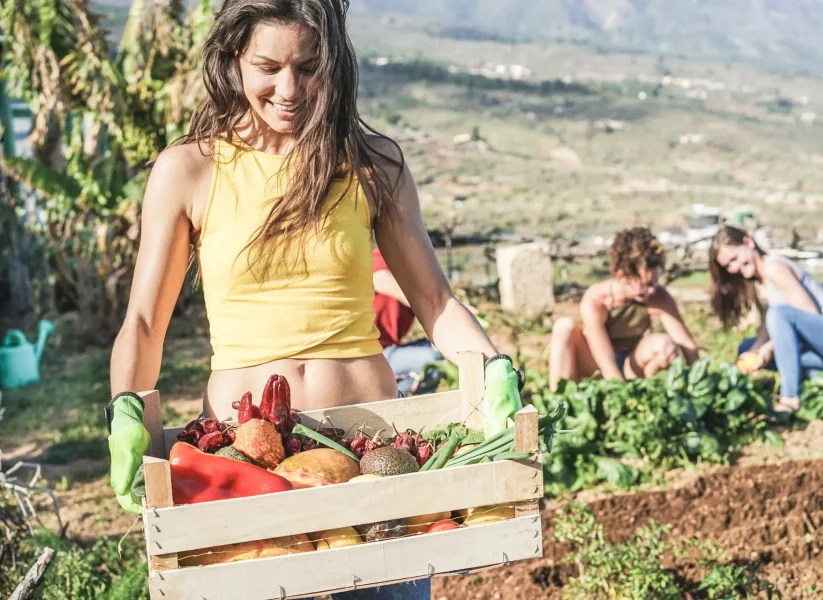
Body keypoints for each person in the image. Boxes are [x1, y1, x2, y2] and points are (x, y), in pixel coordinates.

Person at [103, 2, 522, 598]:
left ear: (336, 62)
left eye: (309, 66)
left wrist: (492, 367)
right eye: (268, 67)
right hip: (244, 469)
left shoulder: (373, 164)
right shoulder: (189, 169)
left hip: (371, 462)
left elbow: (434, 299)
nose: (289, 88)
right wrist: (125, 409)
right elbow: (145, 321)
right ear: (233, 62)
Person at [709, 225, 823, 412]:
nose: (734, 268)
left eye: (734, 259)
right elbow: (769, 328)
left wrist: (769, 348)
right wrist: (755, 351)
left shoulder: (774, 267)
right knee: (746, 347)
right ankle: (819, 379)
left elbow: (810, 313)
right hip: (821, 348)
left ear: (748, 242)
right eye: (728, 266)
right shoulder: (760, 284)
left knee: (779, 314)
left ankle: (790, 398)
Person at [548, 227, 700, 391]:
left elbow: (686, 344)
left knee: (665, 346)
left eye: (654, 283)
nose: (652, 290)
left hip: (631, 364)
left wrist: (698, 383)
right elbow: (604, 359)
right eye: (646, 284)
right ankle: (559, 399)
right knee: (564, 327)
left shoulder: (657, 296)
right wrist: (621, 393)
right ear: (622, 276)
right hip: (596, 364)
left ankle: (651, 395)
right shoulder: (597, 300)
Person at [372, 247, 443, 395]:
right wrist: (420, 302)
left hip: (392, 350)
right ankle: (403, 401)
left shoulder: (420, 279)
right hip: (372, 355)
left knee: (442, 352)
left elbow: (435, 313)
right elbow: (380, 279)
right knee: (431, 360)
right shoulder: (386, 255)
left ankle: (402, 398)